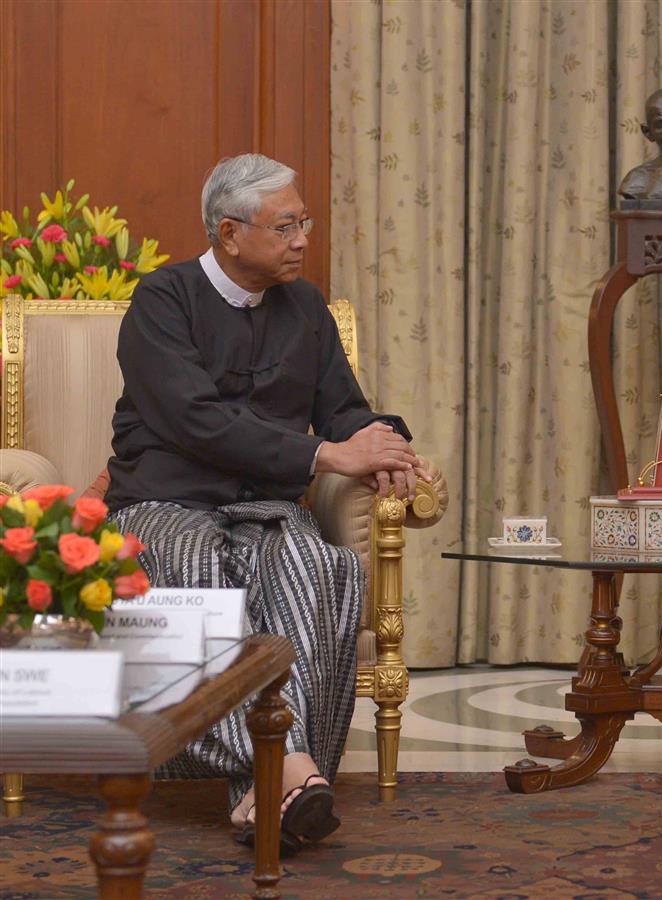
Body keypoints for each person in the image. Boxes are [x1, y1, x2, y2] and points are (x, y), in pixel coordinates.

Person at [106, 153, 426, 854]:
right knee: (200, 579)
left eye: (302, 222)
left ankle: (274, 780)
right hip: (165, 503)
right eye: (286, 227)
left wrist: (388, 447)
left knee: (321, 568)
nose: (303, 240)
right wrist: (326, 457)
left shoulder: (305, 307)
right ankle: (287, 768)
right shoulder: (162, 300)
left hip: (267, 507)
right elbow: (195, 420)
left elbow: (344, 410)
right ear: (229, 233)